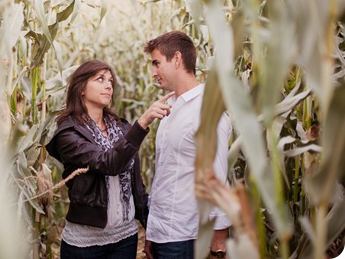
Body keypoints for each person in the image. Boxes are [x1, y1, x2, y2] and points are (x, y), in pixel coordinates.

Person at [45, 60, 173, 259]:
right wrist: (142, 123)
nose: (108, 85)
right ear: (81, 90)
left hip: (125, 238)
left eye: (111, 81)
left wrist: (151, 230)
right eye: (100, 79)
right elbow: (108, 163)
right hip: (86, 244)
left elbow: (136, 184)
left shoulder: (122, 128)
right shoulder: (68, 133)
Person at [142, 31, 232, 259]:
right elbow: (166, 174)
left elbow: (217, 177)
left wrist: (219, 240)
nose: (153, 73)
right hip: (163, 233)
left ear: (177, 59)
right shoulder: (169, 108)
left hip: (187, 238)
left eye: (156, 63)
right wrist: (152, 232)